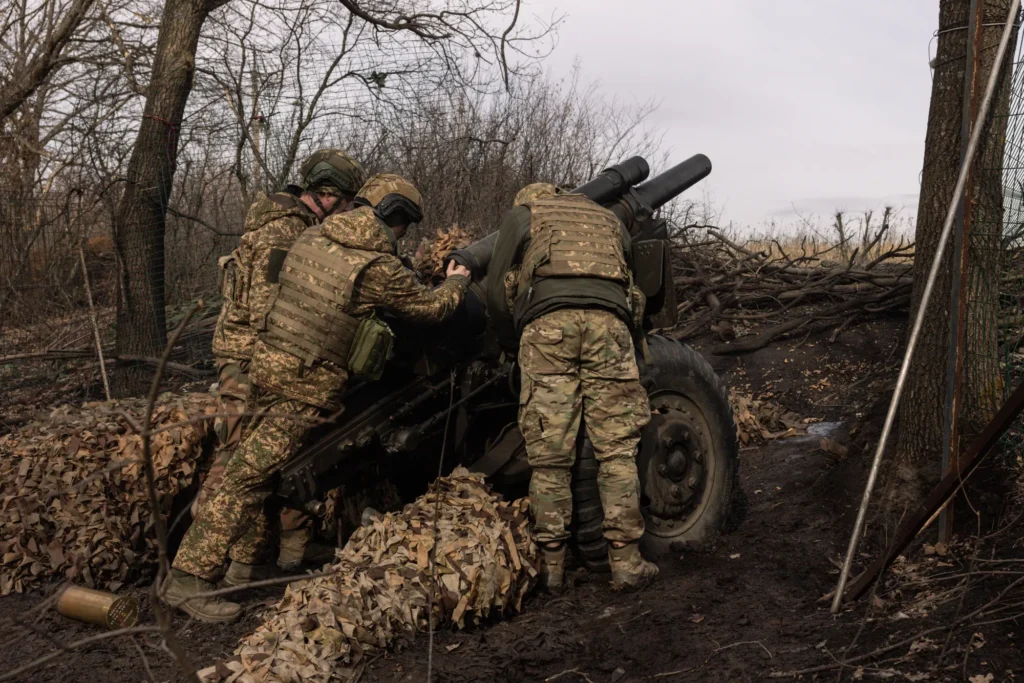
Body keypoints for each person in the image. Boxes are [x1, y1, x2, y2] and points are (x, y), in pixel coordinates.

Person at [164, 174, 471, 622]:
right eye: (403, 225)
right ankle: (188, 579)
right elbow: (431, 309)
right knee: (248, 479)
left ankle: (250, 565)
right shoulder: (375, 270)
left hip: (265, 369)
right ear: (393, 217)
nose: (401, 234)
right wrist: (457, 281)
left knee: (258, 472)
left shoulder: (311, 237)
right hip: (304, 384)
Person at [486, 182, 659, 592]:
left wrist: (513, 342)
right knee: (617, 449)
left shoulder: (525, 213)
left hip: (548, 329)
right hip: (609, 327)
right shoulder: (609, 219)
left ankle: (552, 568)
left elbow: (496, 291)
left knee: (549, 455)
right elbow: (632, 286)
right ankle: (625, 562)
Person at [199, 149, 365, 573]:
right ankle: (199, 562)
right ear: (326, 196)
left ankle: (289, 549)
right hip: (249, 360)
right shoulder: (283, 234)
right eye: (345, 204)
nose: (345, 213)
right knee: (237, 462)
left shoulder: (295, 226)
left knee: (283, 455)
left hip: (266, 359)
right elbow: (267, 311)